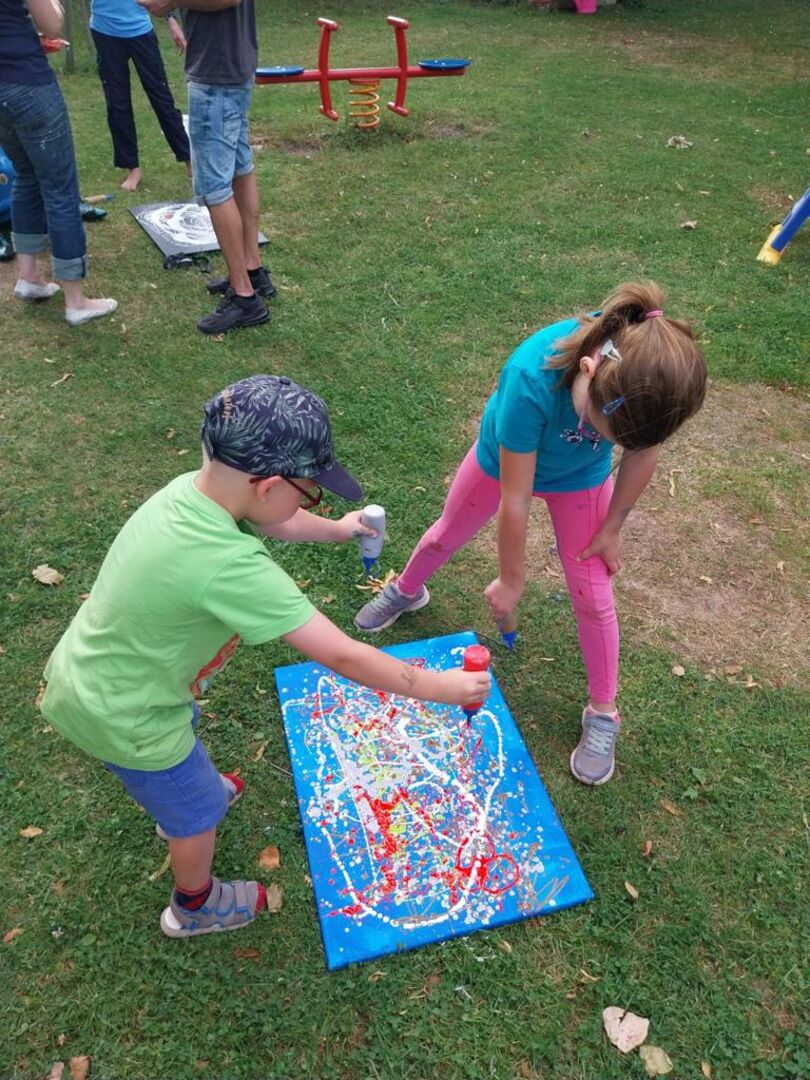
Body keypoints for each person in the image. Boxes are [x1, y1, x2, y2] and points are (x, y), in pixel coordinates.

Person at [40, 375, 490, 939]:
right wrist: (443, 688)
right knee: (197, 813)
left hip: (100, 674)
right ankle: (194, 905)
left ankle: (180, 793)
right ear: (269, 485)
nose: (309, 500)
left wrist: (336, 529)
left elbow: (277, 516)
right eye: (310, 491)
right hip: (128, 715)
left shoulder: (192, 493)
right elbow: (345, 656)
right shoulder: (229, 566)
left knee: (183, 765)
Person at [354, 282, 707, 787]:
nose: (601, 440)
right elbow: (515, 499)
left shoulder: (644, 393)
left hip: (580, 479)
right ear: (588, 371)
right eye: (600, 430)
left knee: (594, 593)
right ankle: (407, 590)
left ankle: (603, 711)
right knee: (445, 535)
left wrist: (612, 528)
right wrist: (510, 579)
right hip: (502, 463)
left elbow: (642, 453)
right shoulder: (530, 378)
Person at [138, 0, 274, 335]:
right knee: (240, 167)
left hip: (217, 74)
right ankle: (252, 269)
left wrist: (169, 2)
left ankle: (244, 296)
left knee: (215, 188)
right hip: (230, 67)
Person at [0, 0, 117, 325]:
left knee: (26, 175)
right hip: (27, 84)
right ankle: (76, 301)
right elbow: (52, 23)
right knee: (60, 188)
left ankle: (28, 277)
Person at [89, 0, 191, 192]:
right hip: (104, 31)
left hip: (140, 31)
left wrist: (171, 20)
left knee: (162, 99)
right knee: (117, 104)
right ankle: (132, 169)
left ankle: (188, 159)